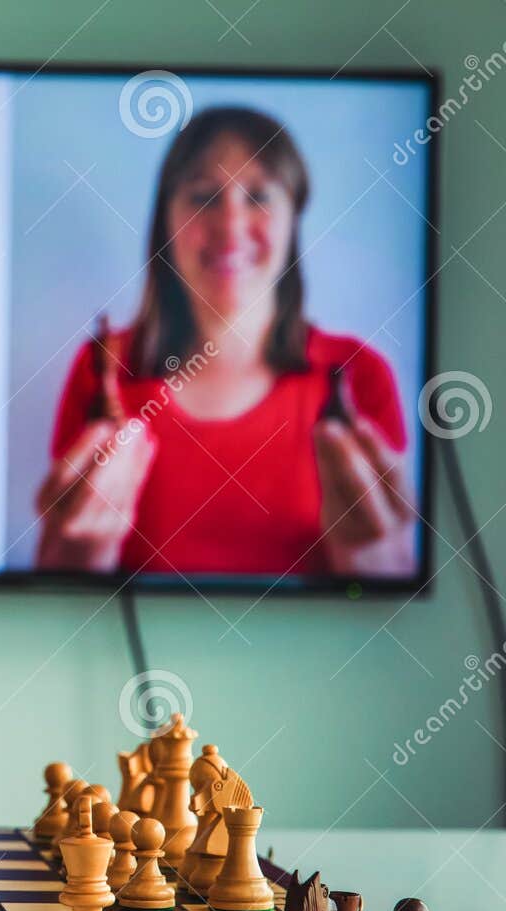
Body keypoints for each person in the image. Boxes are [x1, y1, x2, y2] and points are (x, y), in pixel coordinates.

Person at [37, 106, 415, 579]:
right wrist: (81, 552)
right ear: (165, 222)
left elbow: (394, 609)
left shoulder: (360, 374)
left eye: (258, 196)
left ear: (293, 218)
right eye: (203, 197)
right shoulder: (102, 369)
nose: (231, 226)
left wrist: (370, 555)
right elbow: (56, 599)